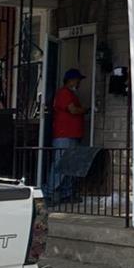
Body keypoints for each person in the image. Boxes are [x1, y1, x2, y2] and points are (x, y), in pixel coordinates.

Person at [46, 69, 86, 203]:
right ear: (71, 80)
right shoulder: (64, 93)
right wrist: (85, 110)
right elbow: (72, 110)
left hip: (73, 135)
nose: (79, 82)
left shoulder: (71, 94)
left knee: (70, 165)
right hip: (64, 135)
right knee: (60, 164)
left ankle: (66, 193)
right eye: (78, 79)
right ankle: (49, 193)